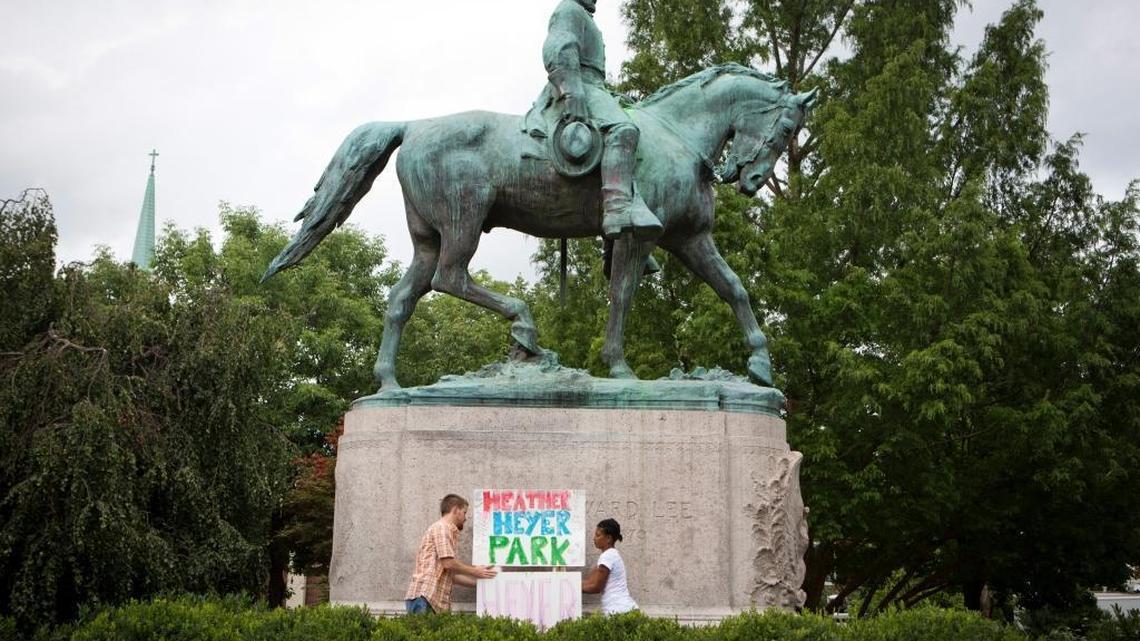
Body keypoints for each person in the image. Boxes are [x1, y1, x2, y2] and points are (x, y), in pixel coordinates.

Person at [527, 0, 663, 240]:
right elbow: (558, 47)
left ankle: (621, 227)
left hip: (594, 87)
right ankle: (617, 208)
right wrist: (572, 90)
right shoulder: (569, 9)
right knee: (624, 129)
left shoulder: (585, 16)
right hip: (581, 86)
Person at [405, 494, 498, 614]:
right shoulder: (442, 528)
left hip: (430, 600)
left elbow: (451, 576)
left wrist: (481, 583)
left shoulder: (446, 531)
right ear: (455, 510)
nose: (466, 518)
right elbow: (448, 563)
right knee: (422, 632)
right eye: (464, 512)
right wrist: (476, 571)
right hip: (425, 597)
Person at [581, 518, 638, 614]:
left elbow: (596, 587)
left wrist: (573, 588)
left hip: (618, 611)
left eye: (598, 535)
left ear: (608, 538)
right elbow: (590, 581)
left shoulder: (607, 557)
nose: (594, 538)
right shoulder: (611, 555)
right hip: (624, 609)